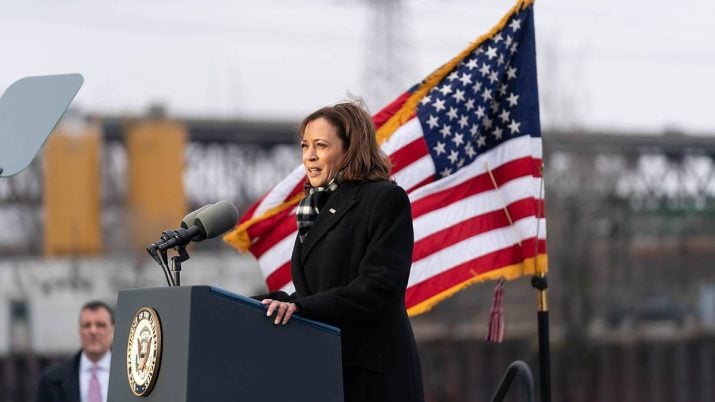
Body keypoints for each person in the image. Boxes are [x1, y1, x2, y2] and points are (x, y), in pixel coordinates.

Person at [260, 101, 425, 402]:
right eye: (305, 145)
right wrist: (280, 303)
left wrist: (304, 307)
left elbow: (378, 286)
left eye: (320, 145)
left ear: (351, 149)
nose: (309, 156)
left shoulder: (385, 199)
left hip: (374, 379)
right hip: (328, 372)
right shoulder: (314, 210)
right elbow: (320, 290)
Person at [35, 301, 114, 402]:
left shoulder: (132, 378)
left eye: (100, 325)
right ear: (79, 331)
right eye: (87, 325)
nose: (93, 331)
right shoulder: (51, 380)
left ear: (113, 329)